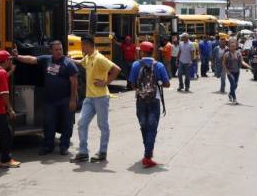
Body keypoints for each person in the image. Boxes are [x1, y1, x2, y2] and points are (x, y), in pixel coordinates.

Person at [13, 41, 78, 156]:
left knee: (67, 124)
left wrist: (73, 100)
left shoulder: (68, 63)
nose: (59, 52)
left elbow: (74, 82)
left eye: (60, 49)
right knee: (49, 124)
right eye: (56, 50)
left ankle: (64, 146)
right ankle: (48, 146)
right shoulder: (46, 59)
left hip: (65, 100)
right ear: (51, 51)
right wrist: (17, 57)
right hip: (50, 101)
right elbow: (31, 59)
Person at [71, 35, 121, 163]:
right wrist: (67, 59)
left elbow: (116, 69)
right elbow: (80, 62)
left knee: (102, 125)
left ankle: (102, 152)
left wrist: (106, 82)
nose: (82, 48)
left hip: (101, 97)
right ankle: (83, 152)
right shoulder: (88, 57)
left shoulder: (99, 58)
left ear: (88, 45)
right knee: (82, 123)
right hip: (89, 98)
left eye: (83, 45)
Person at [129, 41, 170, 168]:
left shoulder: (136, 65)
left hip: (140, 100)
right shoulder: (159, 66)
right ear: (152, 52)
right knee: (152, 127)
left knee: (144, 126)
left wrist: (141, 89)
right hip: (155, 100)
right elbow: (167, 84)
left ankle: (148, 151)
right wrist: (157, 83)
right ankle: (147, 156)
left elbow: (132, 84)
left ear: (142, 52)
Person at [222, 38, 252, 104]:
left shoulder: (238, 53)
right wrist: (227, 71)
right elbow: (223, 63)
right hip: (230, 72)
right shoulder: (226, 54)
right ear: (229, 46)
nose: (233, 47)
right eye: (231, 46)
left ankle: (230, 94)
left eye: (234, 46)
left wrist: (248, 66)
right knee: (232, 84)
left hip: (237, 72)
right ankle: (234, 99)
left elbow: (242, 61)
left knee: (235, 85)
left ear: (236, 46)